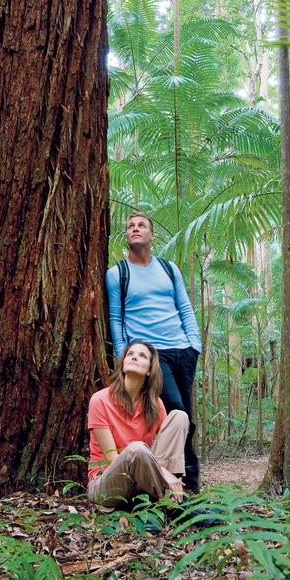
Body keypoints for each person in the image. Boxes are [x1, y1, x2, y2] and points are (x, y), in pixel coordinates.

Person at [106, 212, 202, 493]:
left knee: (186, 416)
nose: (135, 229)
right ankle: (181, 484)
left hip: (182, 349)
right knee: (175, 409)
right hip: (152, 354)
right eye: (130, 226)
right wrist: (125, 356)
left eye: (141, 225)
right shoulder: (117, 274)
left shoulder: (169, 268)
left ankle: (189, 482)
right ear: (127, 236)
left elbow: (183, 306)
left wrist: (194, 344)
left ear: (151, 235)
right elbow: (116, 318)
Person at [87, 341, 189, 507]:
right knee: (137, 449)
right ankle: (177, 504)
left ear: (149, 370)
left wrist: (171, 475)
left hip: (144, 483)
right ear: (123, 363)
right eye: (130, 354)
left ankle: (170, 499)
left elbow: (166, 450)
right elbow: (113, 459)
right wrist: (165, 474)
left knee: (180, 416)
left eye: (142, 356)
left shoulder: (155, 404)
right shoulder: (100, 400)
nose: (134, 356)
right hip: (107, 485)